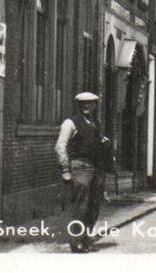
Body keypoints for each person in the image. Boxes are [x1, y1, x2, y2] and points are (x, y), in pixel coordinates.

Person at [54, 92, 108, 253]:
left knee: (94, 204)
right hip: (81, 167)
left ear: (94, 105)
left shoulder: (95, 123)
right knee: (82, 205)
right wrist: (65, 168)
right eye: (83, 103)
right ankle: (76, 241)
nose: (86, 106)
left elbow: (92, 141)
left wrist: (102, 142)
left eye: (90, 103)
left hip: (96, 167)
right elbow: (60, 146)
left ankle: (85, 238)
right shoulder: (70, 123)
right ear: (78, 105)